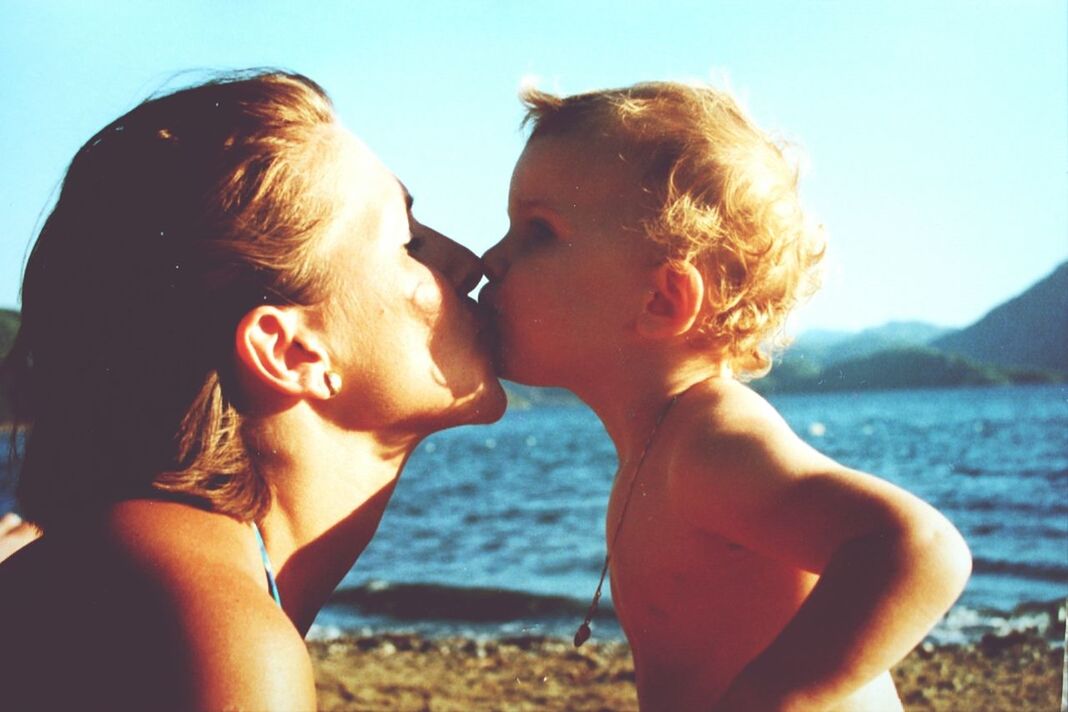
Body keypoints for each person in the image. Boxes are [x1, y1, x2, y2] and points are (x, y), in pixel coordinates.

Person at [0, 70, 506, 710]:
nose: (470, 263)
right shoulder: (210, 636)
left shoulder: (153, 572)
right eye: (411, 243)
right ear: (290, 350)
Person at [480, 82, 972, 711]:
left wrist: (778, 697)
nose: (492, 259)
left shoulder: (709, 439)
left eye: (538, 232)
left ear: (662, 300)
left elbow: (917, 547)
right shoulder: (662, 446)